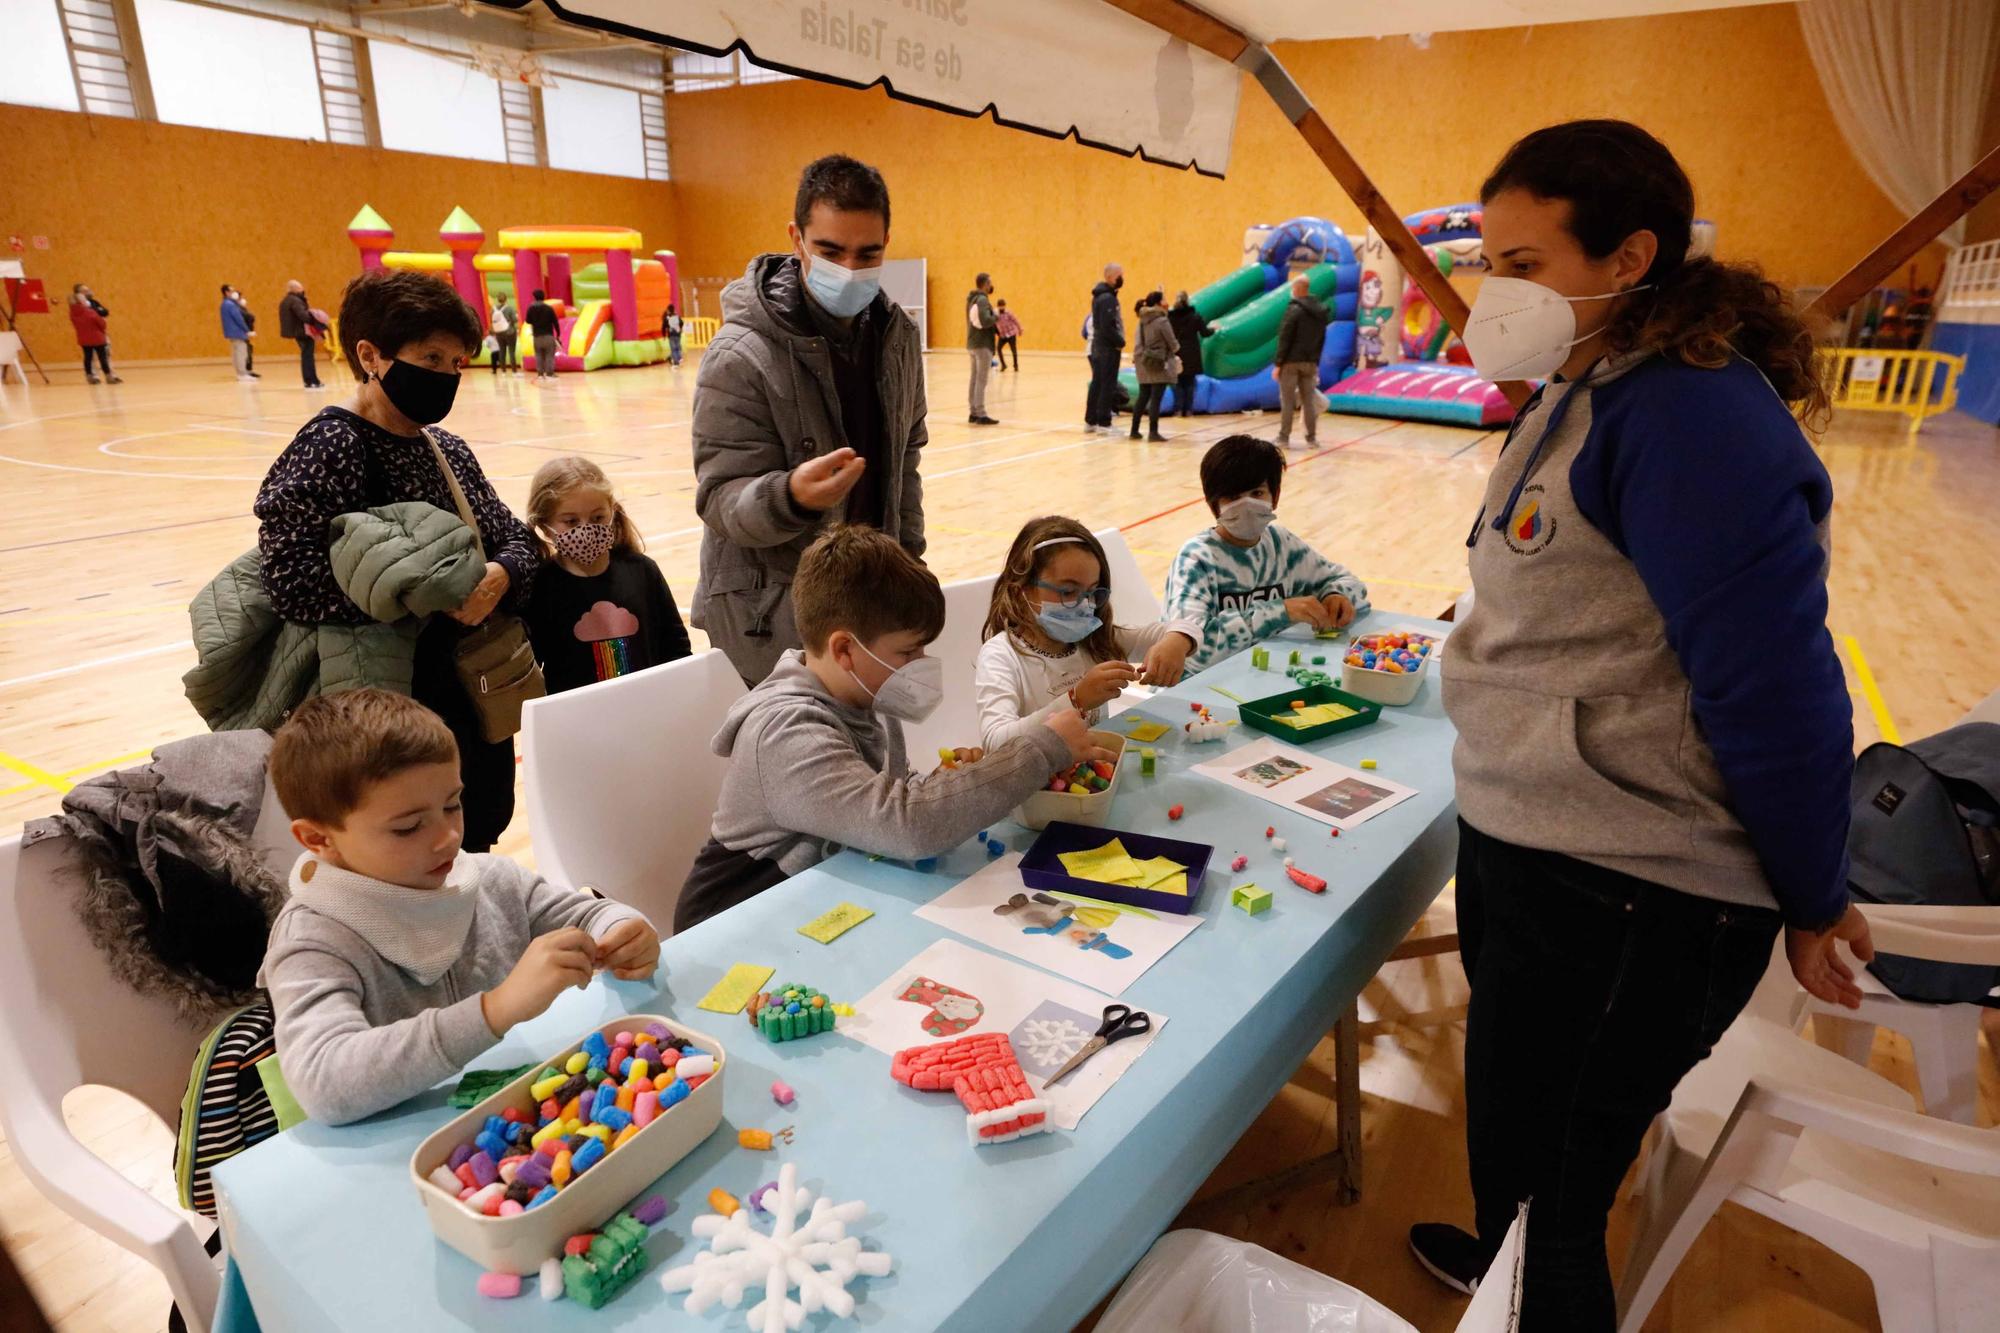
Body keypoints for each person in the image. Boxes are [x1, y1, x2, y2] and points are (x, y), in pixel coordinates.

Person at [1408, 120, 1869, 1328]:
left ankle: (1522, 1267)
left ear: (1627, 258)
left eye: (1524, 261)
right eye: (1486, 259)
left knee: (1552, 1208)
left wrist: (1813, 893)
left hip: (1624, 888)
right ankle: (1499, 1237)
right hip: (1555, 848)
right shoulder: (1592, 383)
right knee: (1525, 1139)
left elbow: (1773, 684)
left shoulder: (1687, 418)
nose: (1492, 290)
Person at [675, 526, 1108, 932]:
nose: (920, 664)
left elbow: (876, 795)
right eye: (908, 650)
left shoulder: (866, 697)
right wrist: (1041, 748)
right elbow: (905, 825)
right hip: (738, 922)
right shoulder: (788, 731)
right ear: (845, 648)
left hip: (821, 907)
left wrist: (940, 783)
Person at [259, 689, 659, 1125]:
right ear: (318, 840)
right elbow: (323, 1084)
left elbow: (587, 916)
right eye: (409, 827)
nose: (449, 836)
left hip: (522, 1119)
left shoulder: (490, 879)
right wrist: (495, 1010)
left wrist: (624, 929)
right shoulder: (313, 940)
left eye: (452, 804)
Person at [254, 268, 539, 852]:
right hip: (384, 705)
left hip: (466, 693)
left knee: (473, 832)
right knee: (403, 851)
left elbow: (518, 538)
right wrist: (418, 596)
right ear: (371, 355)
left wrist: (499, 576)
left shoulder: (447, 449)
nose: (446, 377)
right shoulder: (332, 446)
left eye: (457, 364)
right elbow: (289, 579)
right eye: (431, 358)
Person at [691, 153, 928, 688]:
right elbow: (720, 499)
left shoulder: (898, 342)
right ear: (797, 239)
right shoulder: (739, 354)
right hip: (770, 617)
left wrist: (908, 565)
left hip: (867, 599)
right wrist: (791, 497)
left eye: (868, 254)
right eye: (830, 251)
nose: (849, 269)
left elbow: (905, 464)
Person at [974, 516, 1199, 749]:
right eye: (1068, 591)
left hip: (1094, 776)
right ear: (1022, 590)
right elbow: (995, 742)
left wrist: (1177, 642)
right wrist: (1076, 699)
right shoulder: (1002, 655)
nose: (1084, 605)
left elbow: (1187, 627)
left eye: (1091, 593)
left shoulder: (1093, 641)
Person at [1163, 435, 1368, 672]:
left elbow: (1349, 583)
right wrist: (1280, 612)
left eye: (1257, 493)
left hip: (1265, 674)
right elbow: (1194, 652)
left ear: (1275, 496)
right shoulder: (1197, 559)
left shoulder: (1283, 545)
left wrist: (1334, 595)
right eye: (1233, 497)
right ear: (1213, 505)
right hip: (1198, 688)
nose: (1247, 505)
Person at [524, 455, 691, 694]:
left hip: (648, 703)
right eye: (571, 521)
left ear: (611, 512)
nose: (586, 528)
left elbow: (675, 645)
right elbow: (532, 666)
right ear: (544, 526)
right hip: (578, 718)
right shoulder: (542, 585)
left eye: (598, 517)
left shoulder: (643, 570)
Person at [1272, 274, 1328, 448]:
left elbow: (1285, 337)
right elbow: (1321, 338)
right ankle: (1311, 438)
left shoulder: (1294, 309)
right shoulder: (1320, 311)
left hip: (1291, 362)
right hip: (1310, 362)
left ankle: (1283, 438)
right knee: (1309, 401)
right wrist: (1315, 360)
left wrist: (1278, 363)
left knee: (1288, 401)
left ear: (1296, 289)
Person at [1129, 289, 1180, 442]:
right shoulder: (1162, 321)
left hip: (1144, 361)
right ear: (1158, 303)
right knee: (1156, 398)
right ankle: (1153, 432)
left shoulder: (1142, 320)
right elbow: (1173, 343)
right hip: (1159, 362)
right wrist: (1176, 348)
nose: (1167, 302)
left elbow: (1139, 343)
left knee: (1143, 396)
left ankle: (1134, 430)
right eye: (1164, 299)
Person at [1084, 263, 1125, 432]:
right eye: (1119, 275)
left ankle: (1090, 420)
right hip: (1107, 347)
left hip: (1098, 346)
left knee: (1097, 383)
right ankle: (1104, 422)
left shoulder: (1099, 296)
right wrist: (1120, 342)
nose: (1122, 279)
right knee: (1107, 384)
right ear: (1109, 277)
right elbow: (1107, 326)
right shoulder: (1108, 298)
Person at [1167, 291, 1213, 416]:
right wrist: (1214, 328)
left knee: (1177, 382)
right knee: (1190, 382)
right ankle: (1188, 410)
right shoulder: (1195, 316)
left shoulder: (1170, 317)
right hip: (1192, 352)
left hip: (1177, 351)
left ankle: (1177, 409)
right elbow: (1205, 333)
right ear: (1188, 301)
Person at [278, 280, 326, 389]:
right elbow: (303, 316)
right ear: (295, 289)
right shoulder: (295, 301)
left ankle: (310, 380)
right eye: (300, 288)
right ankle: (312, 381)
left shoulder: (286, 300)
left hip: (297, 332)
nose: (302, 290)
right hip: (302, 332)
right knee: (308, 356)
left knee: (306, 355)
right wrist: (314, 318)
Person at [68, 283, 118, 384]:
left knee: (89, 357)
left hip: (84, 338)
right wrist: (97, 313)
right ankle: (106, 375)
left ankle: (91, 376)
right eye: (84, 291)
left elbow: (105, 311)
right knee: (101, 357)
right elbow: (101, 322)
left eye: (88, 290)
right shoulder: (90, 312)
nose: (88, 292)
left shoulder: (74, 312)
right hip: (98, 336)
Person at [966, 272, 998, 425]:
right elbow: (986, 321)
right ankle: (980, 413)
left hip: (972, 343)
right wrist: (996, 316)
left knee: (974, 378)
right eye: (990, 283)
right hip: (982, 344)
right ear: (985, 284)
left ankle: (973, 411)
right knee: (981, 380)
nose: (991, 286)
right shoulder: (983, 300)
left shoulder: (972, 299)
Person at [221, 283, 255, 382]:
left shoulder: (224, 304)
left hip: (231, 333)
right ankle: (242, 374)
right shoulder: (230, 305)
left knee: (236, 353)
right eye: (231, 291)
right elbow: (238, 318)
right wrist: (247, 330)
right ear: (226, 292)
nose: (234, 293)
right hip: (237, 332)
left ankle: (240, 373)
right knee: (241, 353)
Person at [524, 290, 561, 380]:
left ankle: (540, 374)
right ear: (543, 297)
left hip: (537, 336)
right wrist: (558, 334)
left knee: (539, 355)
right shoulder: (548, 308)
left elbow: (528, 320)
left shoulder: (531, 308)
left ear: (534, 297)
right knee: (549, 355)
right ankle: (549, 374)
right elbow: (555, 322)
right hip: (548, 335)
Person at [489, 295, 518, 374]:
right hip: (510, 332)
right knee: (511, 351)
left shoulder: (494, 309)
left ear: (498, 300)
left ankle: (503, 371)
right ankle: (514, 370)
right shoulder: (510, 308)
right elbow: (515, 320)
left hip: (498, 332)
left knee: (502, 351)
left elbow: (492, 319)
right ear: (506, 299)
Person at [994, 299, 1021, 371]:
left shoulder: (1008, 313)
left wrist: (1020, 329)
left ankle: (1015, 365)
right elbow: (993, 322)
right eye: (1000, 306)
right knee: (998, 348)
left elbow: (1015, 320)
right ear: (998, 306)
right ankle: (1003, 365)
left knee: (1013, 350)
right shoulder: (996, 314)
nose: (1001, 308)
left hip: (1011, 333)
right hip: (1002, 335)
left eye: (1003, 306)